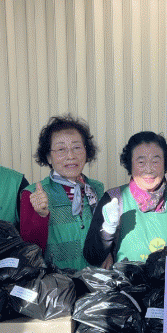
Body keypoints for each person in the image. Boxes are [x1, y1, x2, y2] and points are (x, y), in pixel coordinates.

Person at [84, 131, 167, 265]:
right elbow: (92, 257)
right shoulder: (114, 199)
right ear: (130, 165)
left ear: (165, 164)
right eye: (141, 162)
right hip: (129, 279)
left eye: (155, 161)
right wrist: (107, 230)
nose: (149, 169)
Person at [20, 115, 104, 270]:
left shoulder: (96, 189)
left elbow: (105, 232)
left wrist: (108, 253)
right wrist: (41, 215)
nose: (70, 156)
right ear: (48, 157)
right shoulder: (31, 194)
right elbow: (29, 251)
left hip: (94, 277)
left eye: (77, 147)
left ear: (86, 152)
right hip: (56, 280)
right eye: (61, 149)